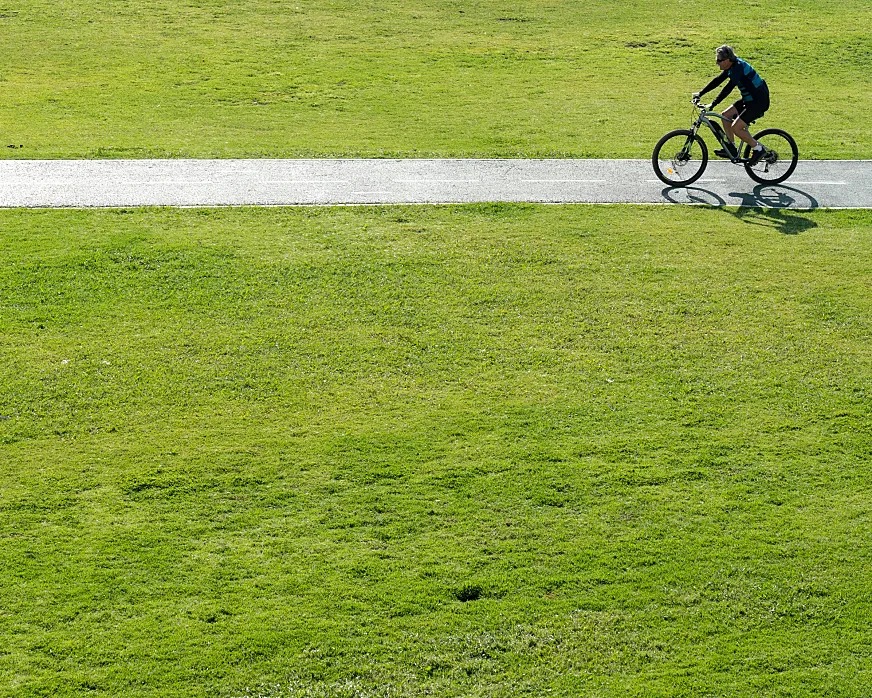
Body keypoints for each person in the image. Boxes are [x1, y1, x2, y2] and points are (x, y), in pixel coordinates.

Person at [694, 45, 770, 165]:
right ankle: (731, 148)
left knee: (736, 128)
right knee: (725, 116)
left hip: (758, 101)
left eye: (719, 60)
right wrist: (700, 93)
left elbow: (728, 88)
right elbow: (717, 81)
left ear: (727, 60)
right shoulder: (731, 66)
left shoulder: (738, 68)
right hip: (749, 99)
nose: (716, 63)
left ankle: (758, 149)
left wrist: (713, 104)